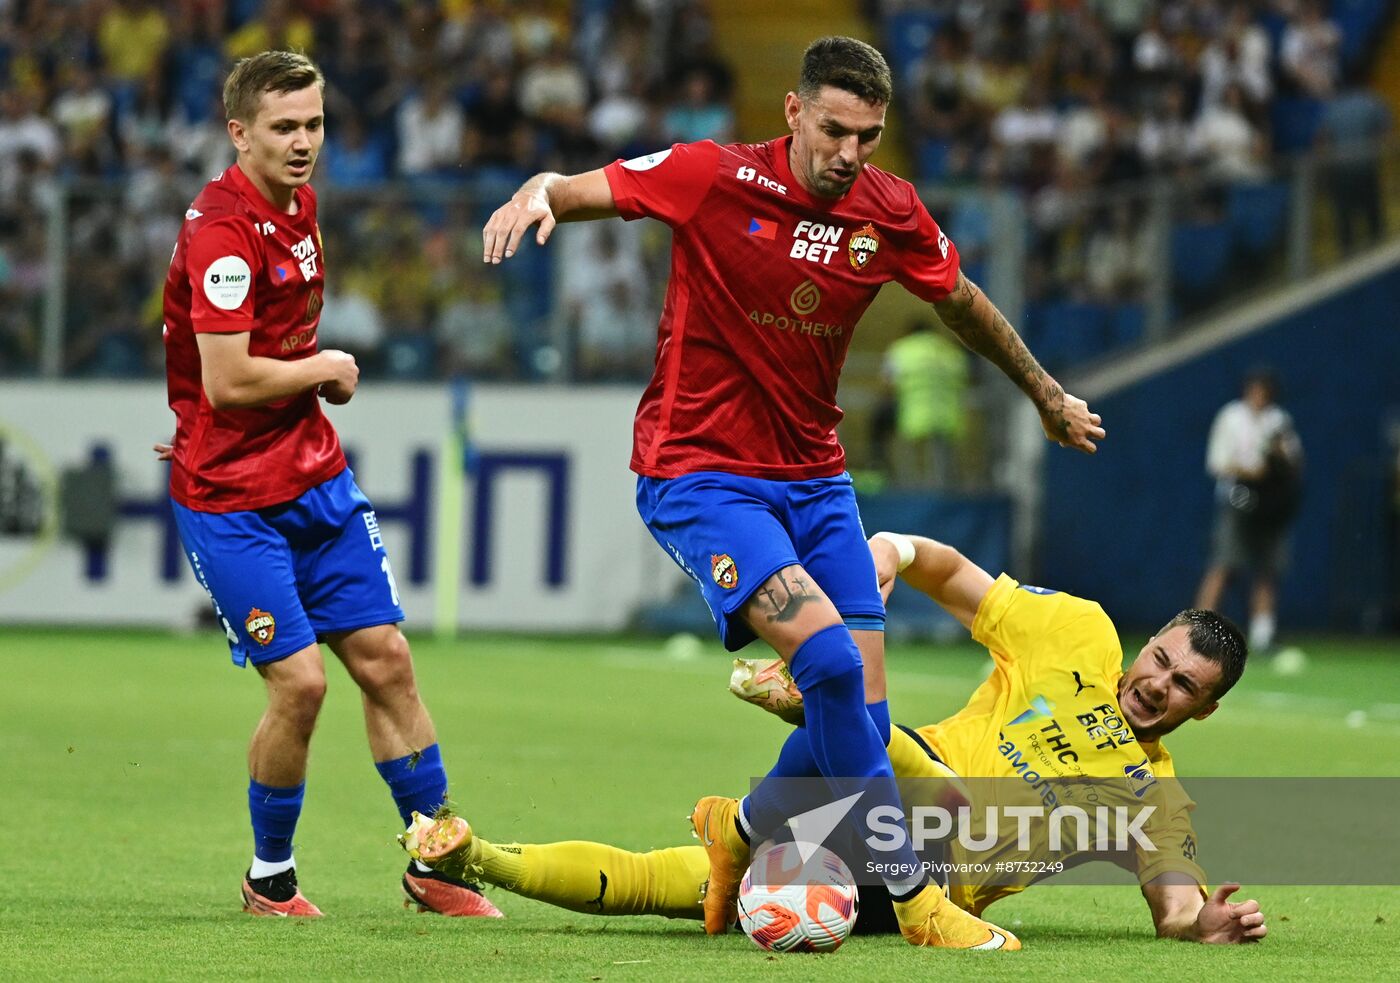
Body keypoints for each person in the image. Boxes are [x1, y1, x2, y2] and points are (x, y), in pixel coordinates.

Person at [482, 35, 1104, 952]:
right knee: (833, 668)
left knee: (864, 715)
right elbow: (577, 188)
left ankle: (734, 831)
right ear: (793, 111)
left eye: (869, 136)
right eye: (834, 129)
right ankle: (918, 895)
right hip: (700, 471)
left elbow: (960, 299)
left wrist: (1046, 393)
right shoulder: (711, 176)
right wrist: (535, 191)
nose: (849, 153)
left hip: (816, 480)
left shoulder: (888, 210)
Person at [403, 530, 1267, 945]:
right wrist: (886, 553)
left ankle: (475, 854)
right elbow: (944, 567)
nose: (1156, 683)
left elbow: (1178, 907)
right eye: (1160, 657)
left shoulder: (1155, 799)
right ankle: (826, 701)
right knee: (935, 784)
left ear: (1204, 708)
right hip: (881, 792)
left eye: (1184, 685)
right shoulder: (1076, 633)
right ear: (1147, 639)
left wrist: (1207, 924)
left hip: (905, 890)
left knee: (672, 887)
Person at [159, 50, 498, 919]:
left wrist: (215, 405)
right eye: (284, 128)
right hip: (233, 503)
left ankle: (435, 860)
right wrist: (325, 369)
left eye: (313, 124)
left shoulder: (302, 204)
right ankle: (268, 875)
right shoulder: (222, 232)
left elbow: (222, 376)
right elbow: (231, 377)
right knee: (302, 683)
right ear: (240, 134)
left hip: (313, 478)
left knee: (387, 661)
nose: (305, 142)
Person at [1195, 368, 1303, 653]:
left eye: (1264, 390)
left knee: (1268, 570)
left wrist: (1276, 458)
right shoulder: (1231, 417)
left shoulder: (1278, 420)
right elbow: (1217, 463)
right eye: (1255, 389)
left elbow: (1293, 461)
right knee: (1223, 564)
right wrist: (1250, 470)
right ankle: (1196, 631)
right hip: (1238, 500)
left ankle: (1262, 636)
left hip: (1269, 505)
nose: (1259, 395)